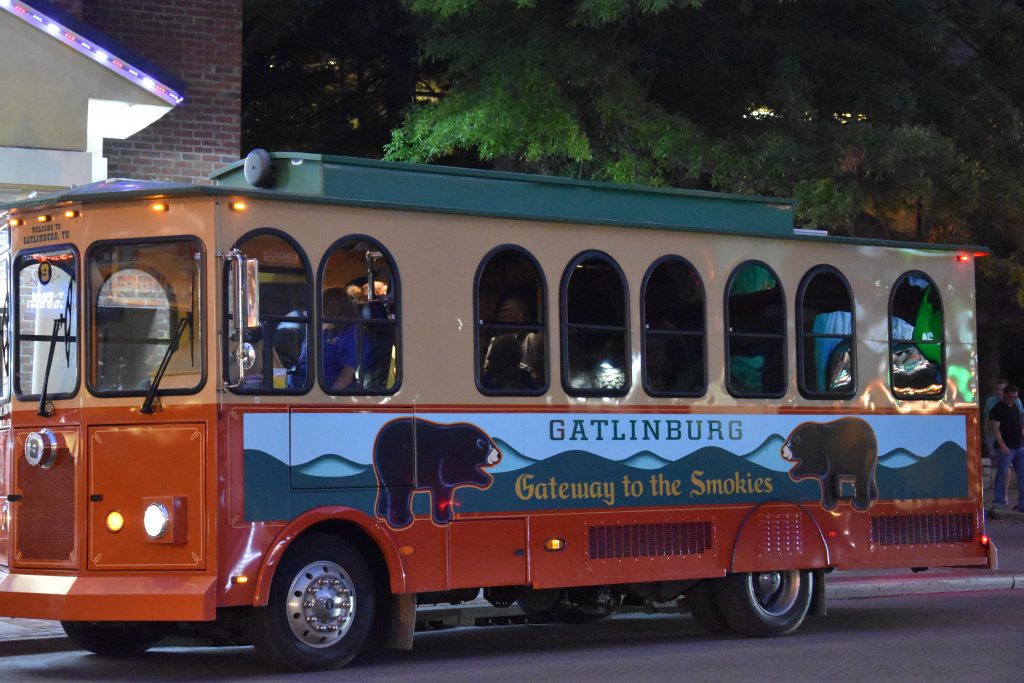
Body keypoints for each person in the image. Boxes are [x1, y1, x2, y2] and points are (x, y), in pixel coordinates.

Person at [989, 382, 1024, 516]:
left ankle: (1022, 503)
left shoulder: (1015, 406)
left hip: (1018, 445)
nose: (1013, 399)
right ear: (1005, 395)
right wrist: (1002, 445)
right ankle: (1000, 501)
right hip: (1006, 447)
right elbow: (995, 429)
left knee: (1022, 474)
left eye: (1015, 397)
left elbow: (1020, 425)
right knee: (1003, 473)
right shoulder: (997, 409)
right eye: (1011, 397)